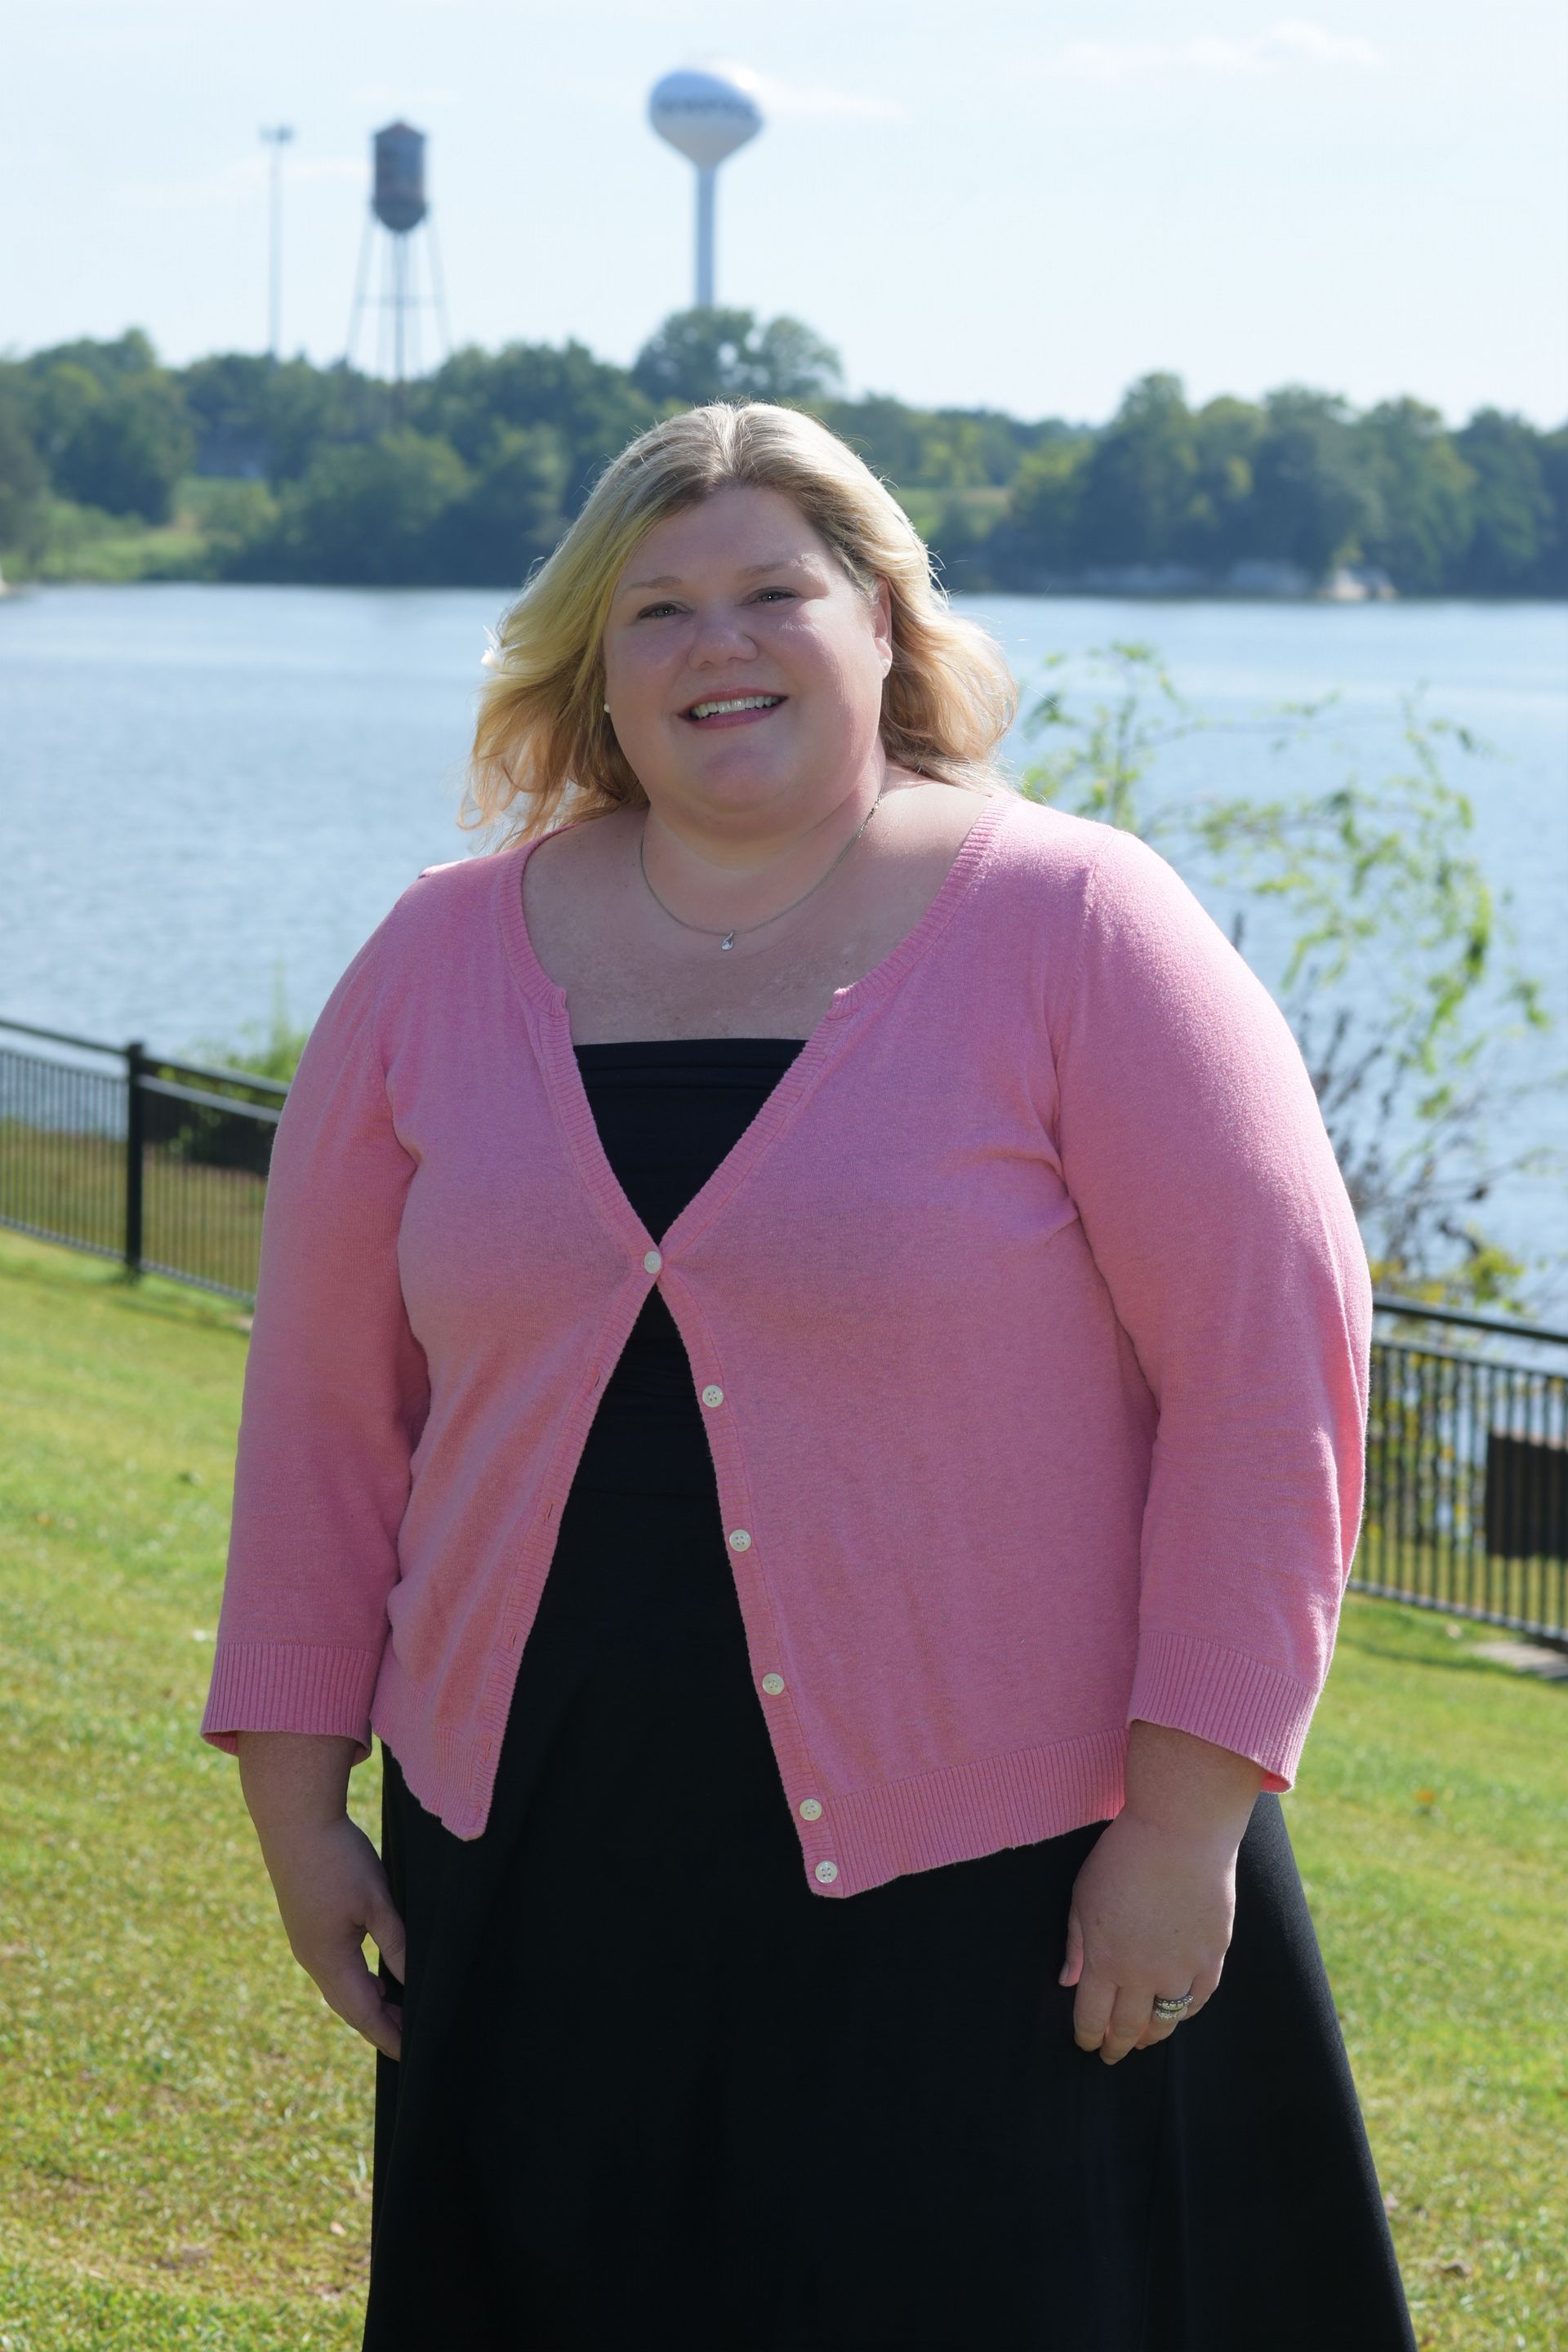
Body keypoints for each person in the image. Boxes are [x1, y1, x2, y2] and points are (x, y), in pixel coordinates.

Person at [201, 401, 1419, 2351]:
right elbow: (331, 1416)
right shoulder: (437, 964)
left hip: (995, 1880)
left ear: (885, 625)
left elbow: (1274, 1372)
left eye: (778, 590)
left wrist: (1183, 1825)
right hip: (537, 1856)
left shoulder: (1073, 923)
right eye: (659, 608)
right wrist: (293, 1790)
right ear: (595, 666)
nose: (720, 644)